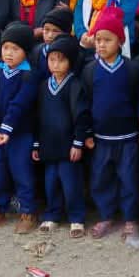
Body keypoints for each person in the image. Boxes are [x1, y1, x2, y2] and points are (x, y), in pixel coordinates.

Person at [81, 6, 139, 239]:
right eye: (98, 40)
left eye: (108, 40)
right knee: (101, 178)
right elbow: (85, 103)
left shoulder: (131, 69)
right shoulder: (90, 70)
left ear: (120, 41)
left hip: (127, 137)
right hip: (100, 138)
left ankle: (130, 218)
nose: (102, 45)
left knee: (129, 179)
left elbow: (138, 99)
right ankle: (106, 215)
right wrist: (87, 132)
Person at [0, 22, 40, 233]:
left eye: (15, 49)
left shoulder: (29, 75)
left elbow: (20, 104)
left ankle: (28, 211)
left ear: (25, 52)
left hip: (20, 135)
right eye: (6, 47)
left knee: (22, 173)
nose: (9, 53)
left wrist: (7, 129)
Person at [34, 34, 88, 237]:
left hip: (68, 146)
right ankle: (52, 215)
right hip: (48, 145)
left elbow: (82, 116)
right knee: (51, 183)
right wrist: (36, 144)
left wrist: (78, 142)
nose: (55, 64)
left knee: (71, 183)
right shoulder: (43, 86)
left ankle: (76, 218)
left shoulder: (75, 85)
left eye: (61, 60)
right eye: (52, 59)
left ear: (70, 62)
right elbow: (37, 116)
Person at [30, 6, 74, 79]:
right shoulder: (36, 52)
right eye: (46, 30)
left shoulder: (73, 53)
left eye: (55, 31)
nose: (50, 35)